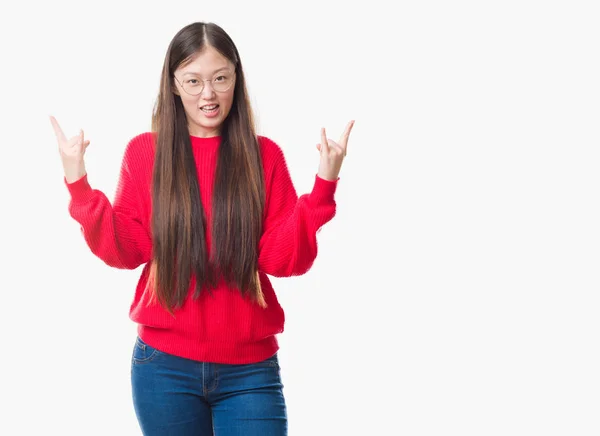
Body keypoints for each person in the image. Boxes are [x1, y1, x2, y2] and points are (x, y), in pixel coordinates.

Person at [50, 21, 354, 436]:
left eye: (220, 79)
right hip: (163, 369)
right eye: (192, 81)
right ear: (174, 85)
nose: (207, 94)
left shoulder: (263, 156)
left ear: (236, 79)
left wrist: (322, 188)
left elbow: (283, 260)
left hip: (250, 372)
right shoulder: (145, 153)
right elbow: (127, 250)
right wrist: (79, 186)